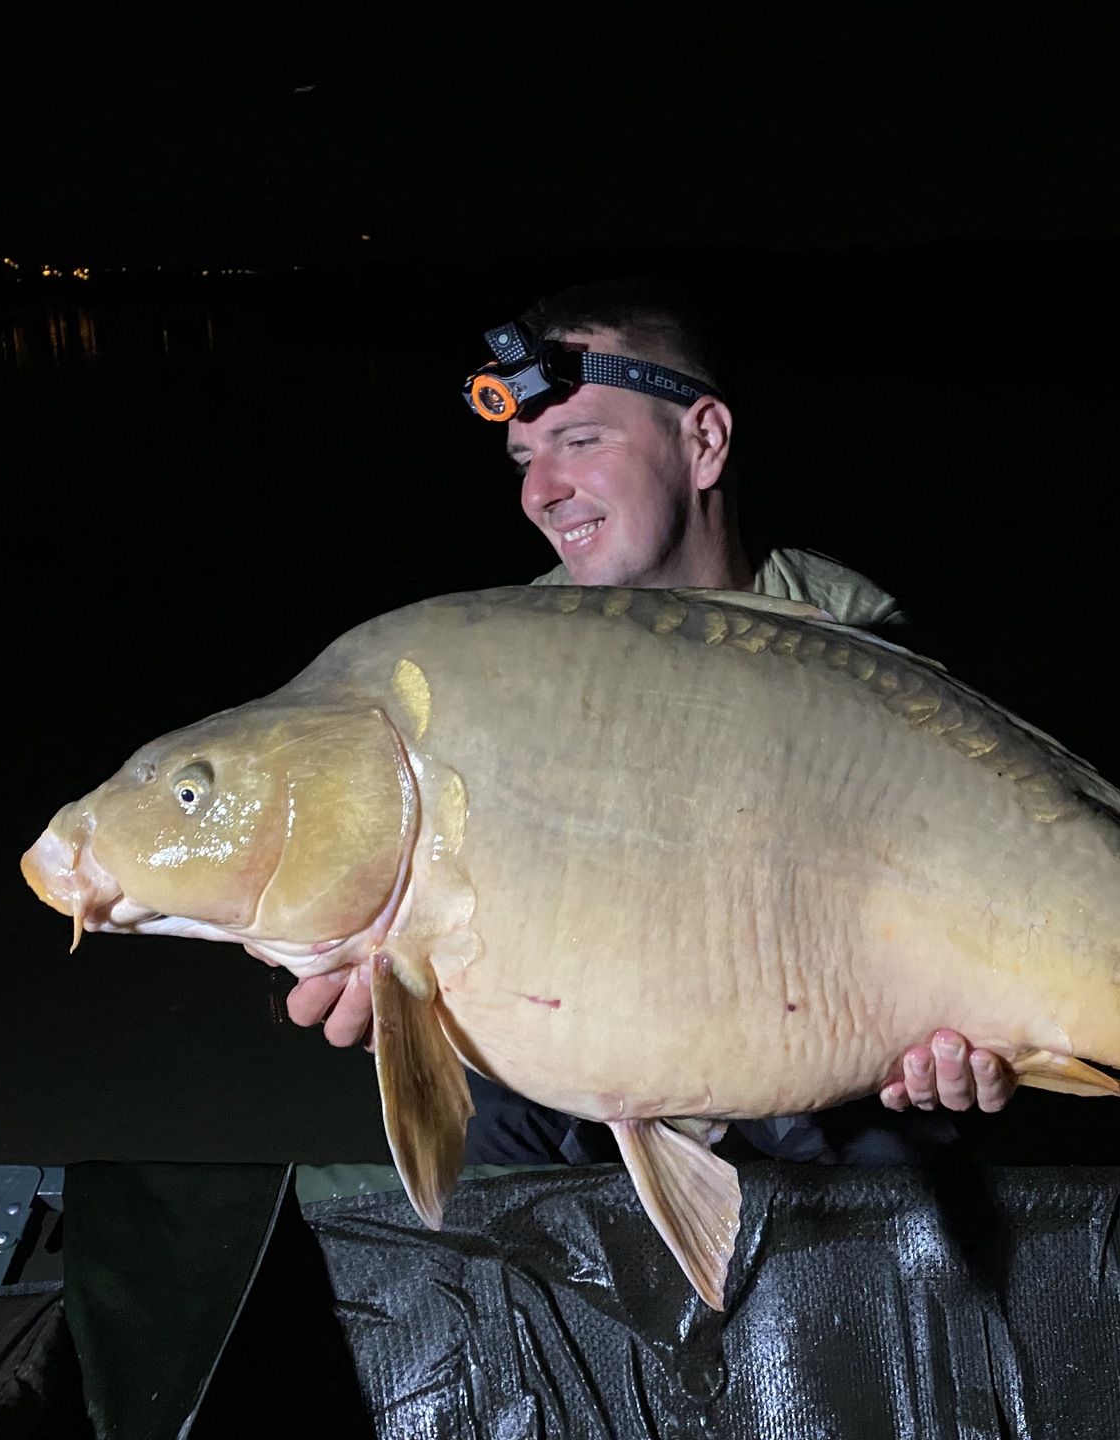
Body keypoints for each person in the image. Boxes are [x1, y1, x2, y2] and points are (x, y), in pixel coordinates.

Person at [286, 278, 1018, 1163]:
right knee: (485, 1113)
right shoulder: (505, 664)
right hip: (596, 1044)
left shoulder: (866, 646)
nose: (541, 495)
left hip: (822, 1044)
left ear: (702, 440)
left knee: (914, 1140)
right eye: (525, 462)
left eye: (579, 442)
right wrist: (410, 1007)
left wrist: (977, 1044)